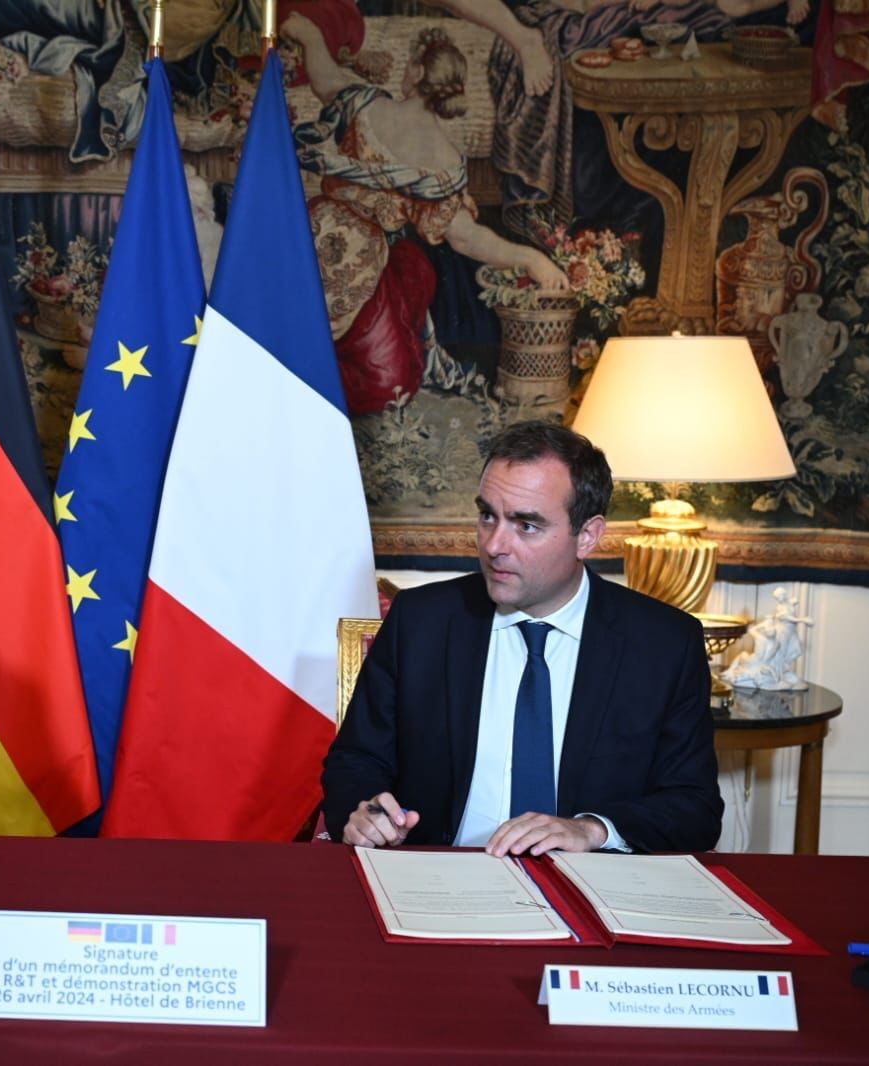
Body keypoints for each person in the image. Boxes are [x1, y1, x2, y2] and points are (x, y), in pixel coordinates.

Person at [322, 420, 722, 855]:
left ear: (587, 536)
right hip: (439, 872)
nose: (495, 545)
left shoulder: (663, 644)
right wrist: (368, 815)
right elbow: (355, 762)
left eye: (526, 525)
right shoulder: (422, 621)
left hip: (588, 879)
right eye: (487, 516)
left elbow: (694, 808)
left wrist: (592, 830)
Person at [286, 14, 567, 412]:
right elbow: (466, 237)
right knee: (381, 378)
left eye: (410, 66)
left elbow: (324, 76)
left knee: (305, 336)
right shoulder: (445, 160)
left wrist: (308, 32)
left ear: (417, 71)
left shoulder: (365, 102)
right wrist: (532, 258)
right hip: (358, 255)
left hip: (315, 232)